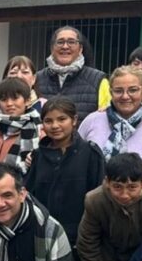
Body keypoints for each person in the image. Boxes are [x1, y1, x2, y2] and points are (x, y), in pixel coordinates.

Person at [79, 66, 142, 191]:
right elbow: (75, 162)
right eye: (118, 91)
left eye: (133, 90)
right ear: (111, 92)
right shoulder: (92, 121)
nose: (125, 96)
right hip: (97, 204)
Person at [24, 96, 104, 250]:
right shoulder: (38, 156)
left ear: (74, 120)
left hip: (81, 239)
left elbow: (99, 196)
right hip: (44, 237)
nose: (55, 126)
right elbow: (29, 196)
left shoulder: (90, 153)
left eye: (62, 119)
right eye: (48, 121)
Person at [33, 26, 110, 119]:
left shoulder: (98, 80)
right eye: (60, 42)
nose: (65, 46)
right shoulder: (36, 79)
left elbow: (106, 116)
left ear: (81, 49)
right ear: (52, 48)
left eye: (71, 42)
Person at [0, 78, 42, 170]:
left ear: (27, 100)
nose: (9, 103)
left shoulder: (39, 130)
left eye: (15, 98)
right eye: (4, 99)